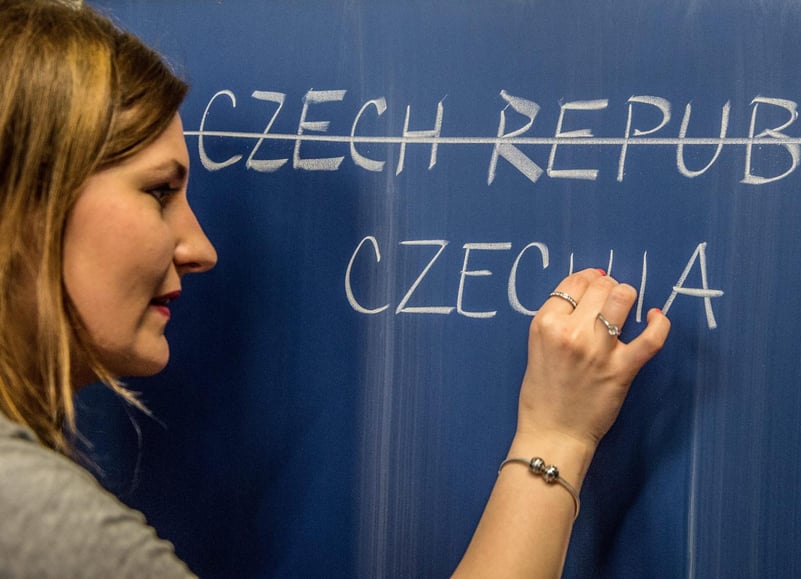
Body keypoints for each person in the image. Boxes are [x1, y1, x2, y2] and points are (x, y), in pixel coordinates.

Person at [0, 1, 671, 577]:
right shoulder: (38, 518)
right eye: (158, 191)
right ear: (24, 204)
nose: (199, 248)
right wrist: (556, 437)